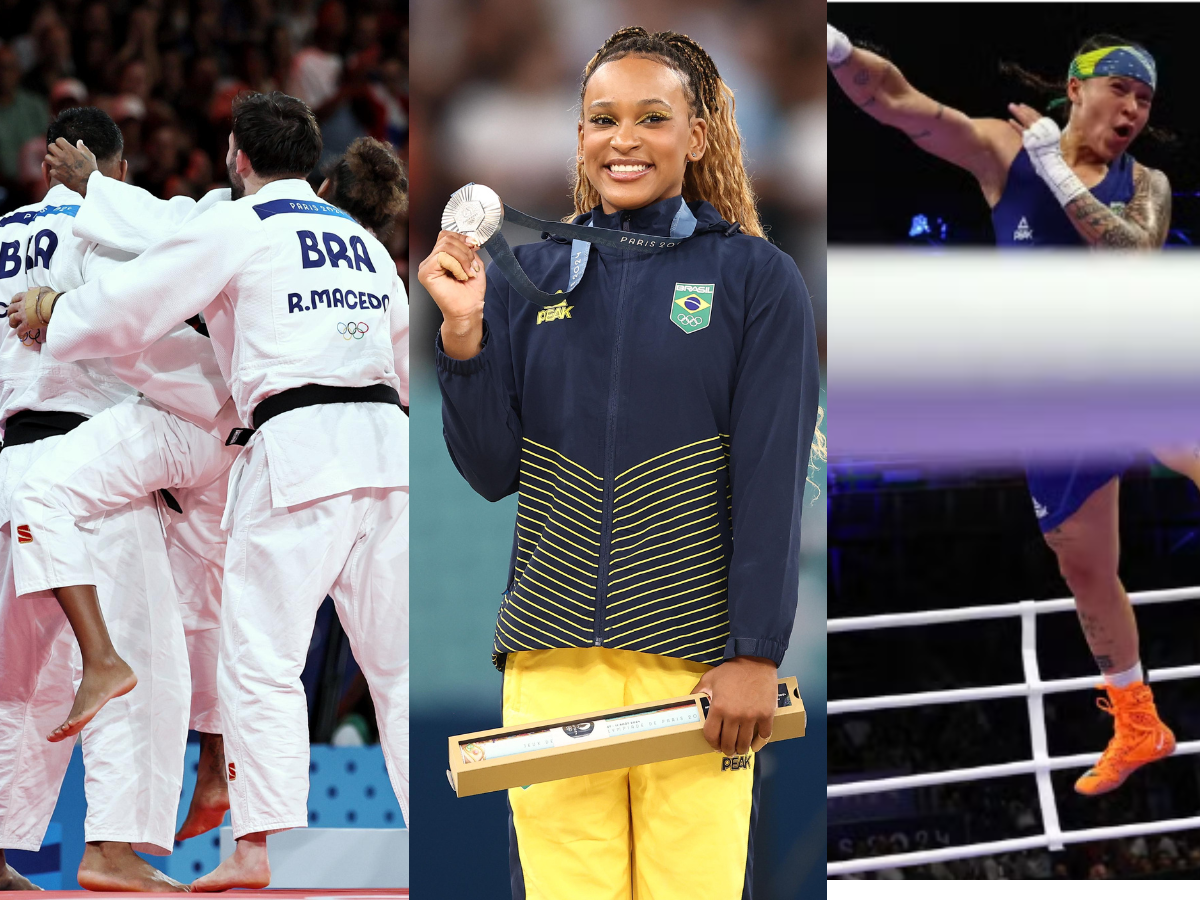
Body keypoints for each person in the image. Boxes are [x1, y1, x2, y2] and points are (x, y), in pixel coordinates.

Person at [419, 27, 818, 899]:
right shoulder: (531, 277)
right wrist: (462, 333)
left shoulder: (757, 279)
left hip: (696, 664)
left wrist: (754, 651)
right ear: (579, 137)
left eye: (651, 118)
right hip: (548, 664)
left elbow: (771, 476)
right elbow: (490, 469)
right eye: (602, 119)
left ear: (698, 135)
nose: (623, 140)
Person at [19, 90, 409, 891]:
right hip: (387, 454)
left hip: (293, 448)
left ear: (238, 157)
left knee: (260, 656)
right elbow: (403, 362)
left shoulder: (243, 221)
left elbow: (142, 295)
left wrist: (60, 314)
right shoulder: (366, 248)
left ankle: (258, 847)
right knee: (397, 669)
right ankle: (446, 836)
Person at [828, 24, 1176, 795]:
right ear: (1077, 87)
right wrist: (836, 49)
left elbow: (1131, 256)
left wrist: (1055, 166)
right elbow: (897, 102)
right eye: (1122, 89)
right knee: (1085, 569)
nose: (1134, 110)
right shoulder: (1001, 153)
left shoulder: (1144, 183)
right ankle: (1137, 720)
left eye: (1146, 99)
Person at [0, 107, 192, 891]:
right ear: (111, 166)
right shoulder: (123, 225)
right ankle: (112, 849)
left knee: (17, 676)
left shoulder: (5, 230)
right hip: (91, 464)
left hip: (10, 457)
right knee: (130, 660)